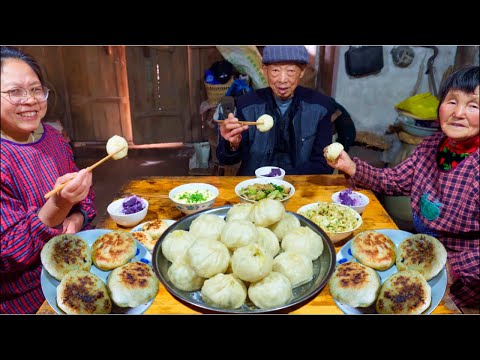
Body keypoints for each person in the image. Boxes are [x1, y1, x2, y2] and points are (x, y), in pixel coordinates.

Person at [324, 65, 479, 309]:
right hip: (417, 256)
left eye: (473, 105)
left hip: (463, 287)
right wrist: (351, 167)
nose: (458, 113)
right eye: (451, 101)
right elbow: (394, 180)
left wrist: (454, 266)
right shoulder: (431, 146)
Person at [0, 46, 97, 314]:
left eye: (35, 89)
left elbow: (86, 197)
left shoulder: (53, 139)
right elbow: (6, 254)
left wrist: (78, 217)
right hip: (25, 298)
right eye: (14, 92)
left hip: (75, 271)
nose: (29, 100)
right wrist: (58, 205)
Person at [216, 45, 336, 175]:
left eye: (290, 71)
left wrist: (284, 182)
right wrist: (232, 144)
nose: (282, 80)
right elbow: (226, 159)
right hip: (254, 186)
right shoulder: (246, 104)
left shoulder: (321, 107)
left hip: (299, 186)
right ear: (264, 70)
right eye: (275, 71)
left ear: (302, 71)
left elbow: (324, 164)